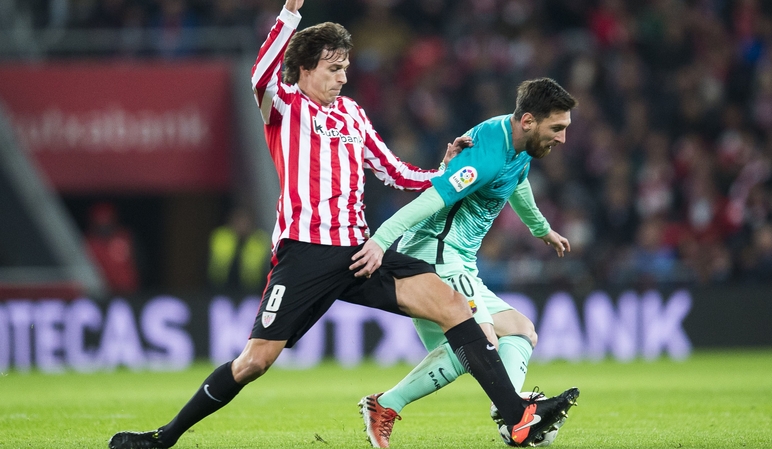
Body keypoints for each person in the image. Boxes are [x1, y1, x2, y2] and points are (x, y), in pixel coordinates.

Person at [107, 1, 574, 448]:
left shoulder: (352, 114)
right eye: (334, 69)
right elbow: (261, 75)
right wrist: (290, 13)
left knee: (455, 306)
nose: (343, 78)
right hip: (306, 252)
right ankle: (163, 438)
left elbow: (392, 170)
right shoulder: (284, 106)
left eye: (346, 68)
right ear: (306, 68)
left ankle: (516, 417)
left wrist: (444, 172)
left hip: (358, 252)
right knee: (255, 361)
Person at [351, 78, 580, 448]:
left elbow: (516, 182)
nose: (563, 138)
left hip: (458, 260)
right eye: (557, 128)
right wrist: (380, 240)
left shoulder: (519, 146)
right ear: (528, 121)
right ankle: (389, 404)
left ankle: (510, 411)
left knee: (521, 331)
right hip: (436, 255)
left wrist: (542, 229)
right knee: (478, 341)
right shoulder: (485, 154)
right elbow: (431, 199)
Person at [207, 206, 270, 291]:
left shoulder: (259, 240)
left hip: (251, 289)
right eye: (239, 221)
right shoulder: (221, 237)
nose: (242, 225)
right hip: (220, 287)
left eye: (245, 221)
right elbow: (213, 264)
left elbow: (263, 268)